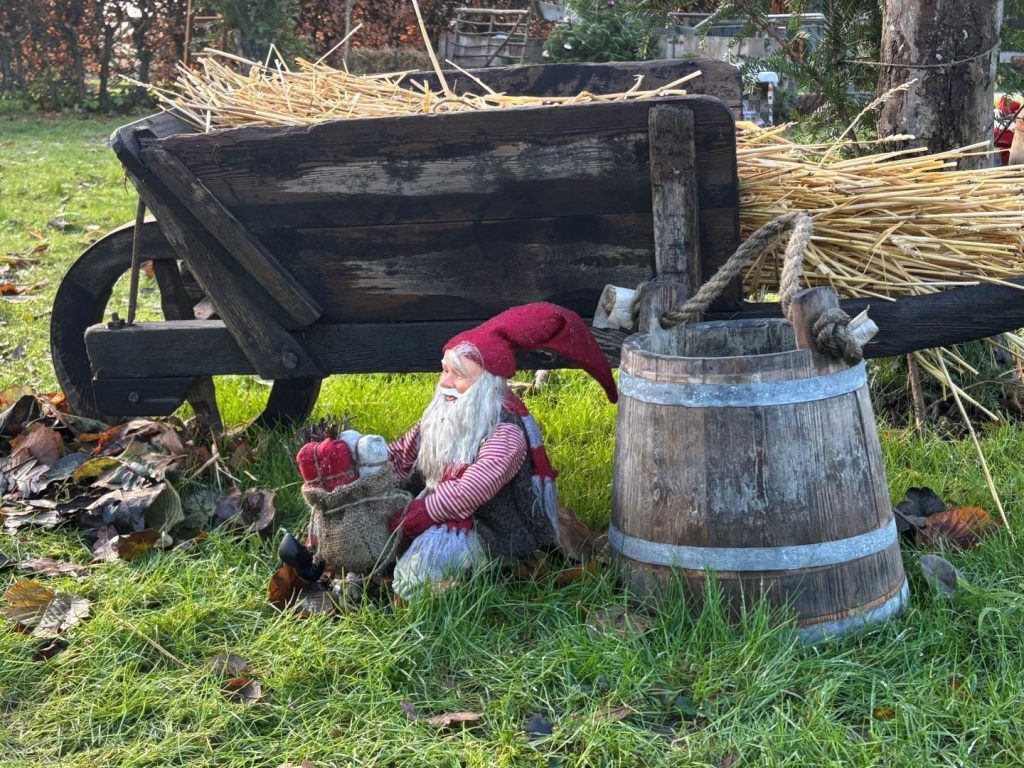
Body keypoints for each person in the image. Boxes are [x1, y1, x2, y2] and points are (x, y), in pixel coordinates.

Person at [385, 302, 618, 599]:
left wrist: (422, 512)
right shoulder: (443, 414)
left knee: (415, 578)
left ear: (487, 382)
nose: (445, 382)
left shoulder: (505, 433)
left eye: (458, 374)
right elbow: (403, 453)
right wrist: (366, 465)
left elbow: (473, 488)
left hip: (489, 527)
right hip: (438, 510)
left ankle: (474, 583)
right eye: (444, 370)